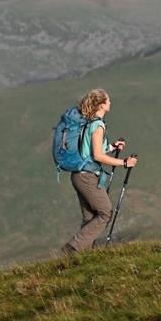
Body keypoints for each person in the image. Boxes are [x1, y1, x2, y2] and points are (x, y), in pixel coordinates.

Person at [61, 88, 137, 254]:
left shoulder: (89, 122)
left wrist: (112, 147)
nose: (110, 103)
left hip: (80, 175)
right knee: (105, 213)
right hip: (87, 177)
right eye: (108, 100)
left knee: (90, 218)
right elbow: (97, 155)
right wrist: (124, 163)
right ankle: (72, 249)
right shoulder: (97, 125)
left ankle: (80, 258)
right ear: (102, 105)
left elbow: (92, 151)